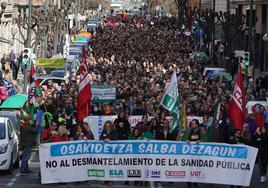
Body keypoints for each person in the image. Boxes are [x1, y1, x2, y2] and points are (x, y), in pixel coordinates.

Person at [186, 119, 201, 188]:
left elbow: (205, 139)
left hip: (198, 153)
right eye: (191, 123)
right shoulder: (189, 131)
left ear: (197, 124)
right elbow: (186, 138)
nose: (192, 125)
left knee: (196, 167)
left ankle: (195, 181)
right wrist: (187, 140)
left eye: (193, 123)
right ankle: (189, 182)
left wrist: (200, 140)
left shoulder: (201, 131)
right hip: (190, 153)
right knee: (189, 167)